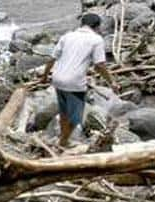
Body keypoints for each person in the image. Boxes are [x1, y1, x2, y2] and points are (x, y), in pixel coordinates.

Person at [41, 13, 121, 147]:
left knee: (64, 112)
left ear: (82, 24)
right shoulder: (96, 40)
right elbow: (99, 65)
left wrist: (44, 76)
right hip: (74, 82)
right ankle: (63, 142)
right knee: (76, 117)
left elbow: (51, 58)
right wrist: (112, 82)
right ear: (97, 26)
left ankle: (63, 138)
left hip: (58, 79)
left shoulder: (67, 36)